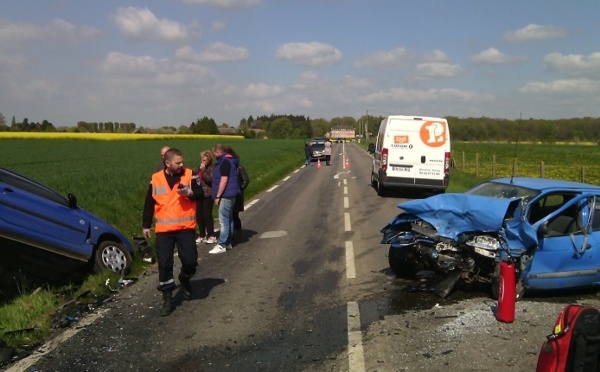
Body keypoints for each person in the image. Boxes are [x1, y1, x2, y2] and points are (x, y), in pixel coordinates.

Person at [142, 148, 200, 316]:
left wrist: (190, 193)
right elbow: (148, 203)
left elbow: (201, 193)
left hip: (185, 228)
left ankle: (184, 278)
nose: (182, 165)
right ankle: (168, 298)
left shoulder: (190, 174)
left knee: (190, 261)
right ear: (167, 163)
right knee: (165, 264)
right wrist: (146, 225)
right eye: (178, 162)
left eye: (182, 161)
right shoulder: (156, 179)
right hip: (164, 231)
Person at [208, 144, 240, 254]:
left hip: (225, 195)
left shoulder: (224, 162)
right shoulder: (230, 161)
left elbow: (224, 180)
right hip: (231, 195)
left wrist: (218, 196)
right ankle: (228, 243)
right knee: (229, 219)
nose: (214, 156)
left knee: (224, 221)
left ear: (218, 152)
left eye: (214, 154)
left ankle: (221, 244)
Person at [225, 146, 249, 243]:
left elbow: (246, 180)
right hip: (227, 195)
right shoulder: (225, 167)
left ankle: (238, 232)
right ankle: (231, 234)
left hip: (237, 196)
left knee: (234, 215)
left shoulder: (239, 167)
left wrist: (239, 189)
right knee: (228, 216)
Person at [195, 150, 217, 245]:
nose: (203, 161)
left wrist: (203, 170)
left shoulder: (213, 168)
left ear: (209, 159)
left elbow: (209, 179)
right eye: (202, 159)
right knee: (199, 215)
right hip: (199, 194)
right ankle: (202, 234)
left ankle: (211, 234)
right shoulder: (198, 168)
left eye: (205, 159)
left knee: (207, 215)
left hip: (208, 194)